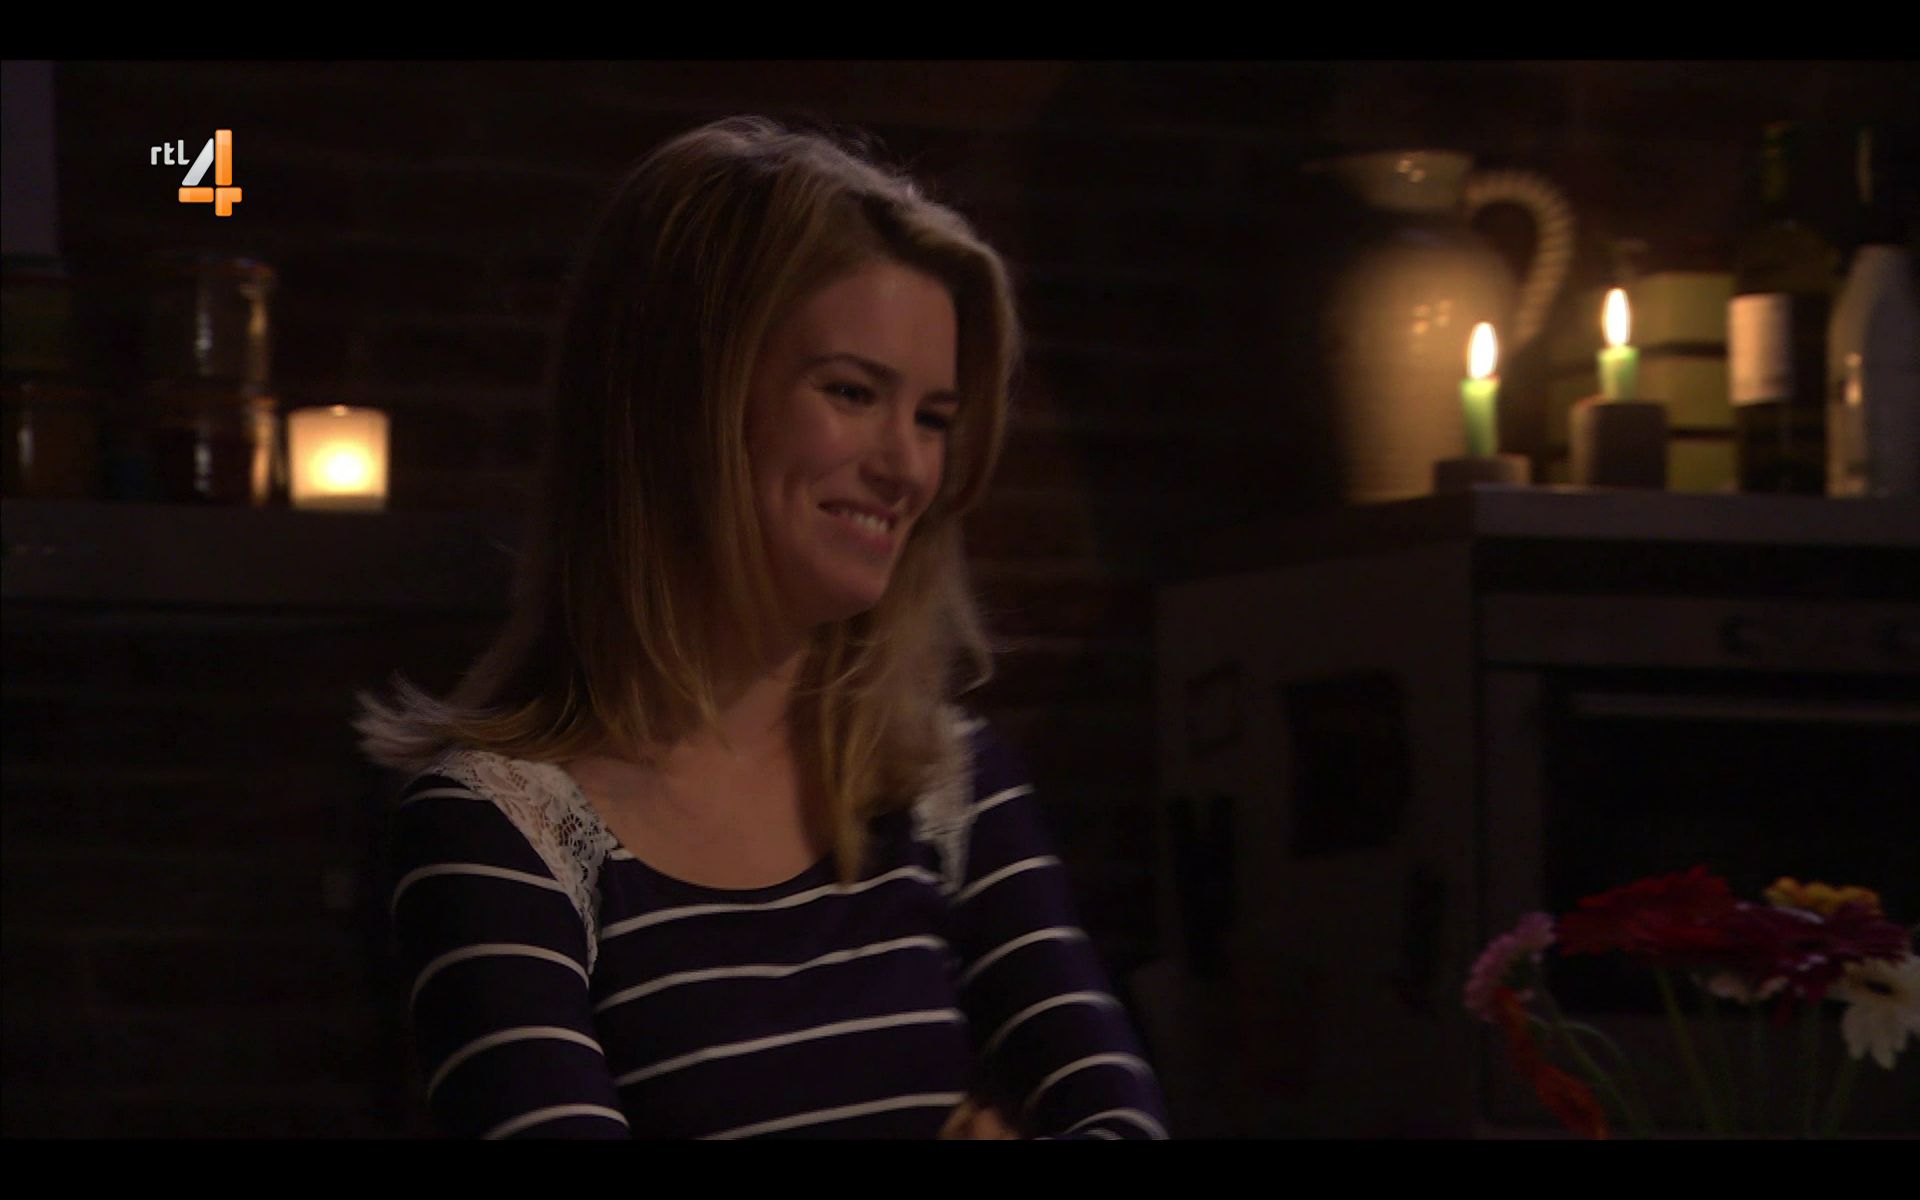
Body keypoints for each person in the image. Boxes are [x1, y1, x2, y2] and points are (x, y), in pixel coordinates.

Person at [355, 116, 1170, 1140]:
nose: (908, 468)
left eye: (932, 418)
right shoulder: (500, 829)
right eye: (852, 392)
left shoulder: (946, 790)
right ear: (686, 400)